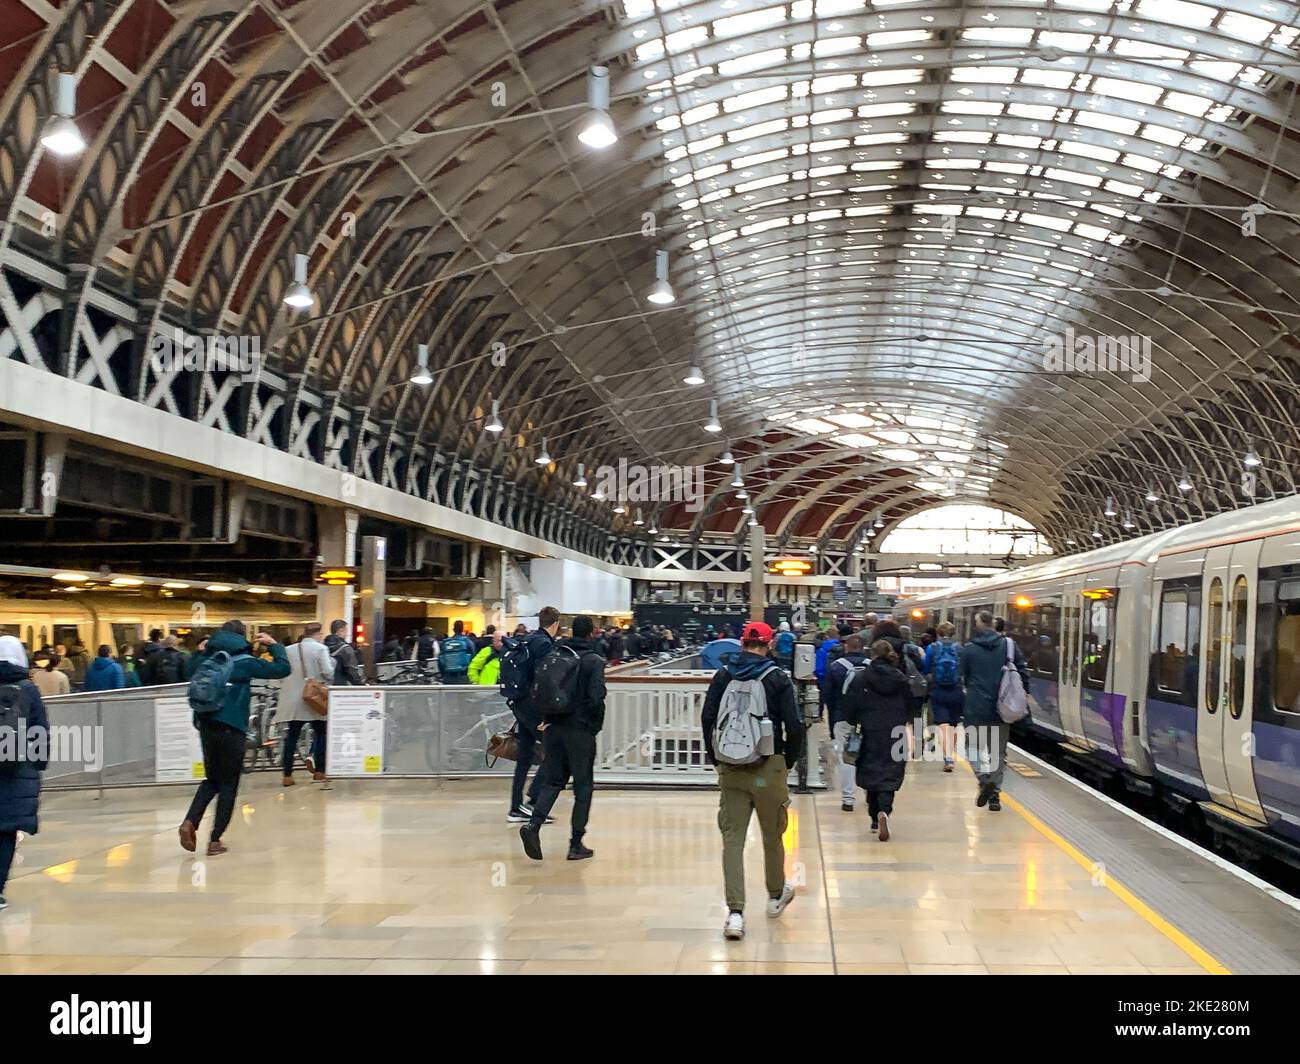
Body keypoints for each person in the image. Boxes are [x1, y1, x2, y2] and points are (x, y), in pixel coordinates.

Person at [700, 621, 803, 942]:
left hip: (731, 767)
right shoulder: (777, 678)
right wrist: (786, 762)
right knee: (773, 834)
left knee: (733, 840)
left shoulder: (723, 675)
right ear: (769, 645)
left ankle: (734, 914)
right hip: (768, 766)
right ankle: (774, 897)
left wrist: (715, 757)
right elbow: (795, 725)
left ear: (741, 644)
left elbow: (707, 717)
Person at [178, 621, 290, 856]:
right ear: (241, 638)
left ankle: (190, 822)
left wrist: (200, 651)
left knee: (212, 779)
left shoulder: (205, 658)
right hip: (232, 727)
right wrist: (274, 646)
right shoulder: (245, 662)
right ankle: (215, 839)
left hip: (206, 725)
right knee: (229, 782)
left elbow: (187, 673)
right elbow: (282, 669)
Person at [519, 615, 606, 861]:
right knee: (583, 786)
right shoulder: (593, 661)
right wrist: (592, 725)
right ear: (591, 633)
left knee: (553, 781)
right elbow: (595, 697)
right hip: (579, 731)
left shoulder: (557, 655)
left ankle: (533, 826)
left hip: (553, 728)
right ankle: (576, 844)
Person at [959, 611, 1028, 812]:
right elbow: (1022, 673)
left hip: (975, 708)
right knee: (997, 753)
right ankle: (995, 796)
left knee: (972, 748)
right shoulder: (1009, 646)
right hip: (1003, 709)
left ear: (978, 625)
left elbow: (961, 676)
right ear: (994, 624)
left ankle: (983, 778)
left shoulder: (969, 650)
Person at [0, 636, 50, 910]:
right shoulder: (28, 688)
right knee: (6, 831)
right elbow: (39, 730)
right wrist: (39, 763)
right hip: (18, 769)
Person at [842, 639, 909, 840]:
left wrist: (855, 722)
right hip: (895, 730)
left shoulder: (861, 678)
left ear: (871, 655)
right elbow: (911, 703)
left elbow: (850, 708)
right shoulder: (900, 678)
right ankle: (885, 811)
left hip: (869, 730)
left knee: (870, 770)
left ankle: (873, 815)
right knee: (891, 771)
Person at [505, 606, 561, 823]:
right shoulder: (544, 644)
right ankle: (534, 804)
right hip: (533, 707)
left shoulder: (528, 639)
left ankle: (516, 807)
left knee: (526, 756)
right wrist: (547, 714)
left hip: (520, 704)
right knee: (556, 751)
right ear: (555, 623)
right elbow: (545, 680)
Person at [279, 623, 332, 785]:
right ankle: (320, 772)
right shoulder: (320, 649)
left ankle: (287, 775)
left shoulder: (288, 650)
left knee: (292, 736)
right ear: (319, 634)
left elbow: (283, 672)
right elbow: (328, 671)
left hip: (294, 699)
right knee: (321, 733)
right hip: (313, 698)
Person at [822, 634, 869, 811]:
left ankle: (848, 799)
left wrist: (828, 717)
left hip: (842, 718)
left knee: (846, 757)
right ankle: (868, 794)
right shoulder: (872, 667)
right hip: (867, 719)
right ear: (863, 648)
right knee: (866, 755)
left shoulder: (836, 667)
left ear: (846, 648)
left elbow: (827, 695)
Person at [923, 621, 964, 770]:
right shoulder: (960, 649)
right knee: (953, 725)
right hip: (957, 690)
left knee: (942, 725)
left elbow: (925, 668)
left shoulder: (932, 648)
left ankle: (947, 758)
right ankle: (950, 756)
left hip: (937, 690)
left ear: (938, 633)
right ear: (953, 633)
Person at [325, 620, 363, 685]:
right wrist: (359, 683)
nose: (347, 634)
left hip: (325, 684)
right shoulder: (345, 648)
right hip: (340, 684)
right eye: (346, 631)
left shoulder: (322, 646)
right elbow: (352, 670)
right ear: (341, 631)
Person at [438, 621, 475, 686]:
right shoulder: (467, 641)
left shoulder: (446, 642)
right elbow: (473, 658)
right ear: (462, 629)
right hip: (463, 676)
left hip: (448, 677)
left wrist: (443, 675)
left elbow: (440, 661)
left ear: (453, 629)